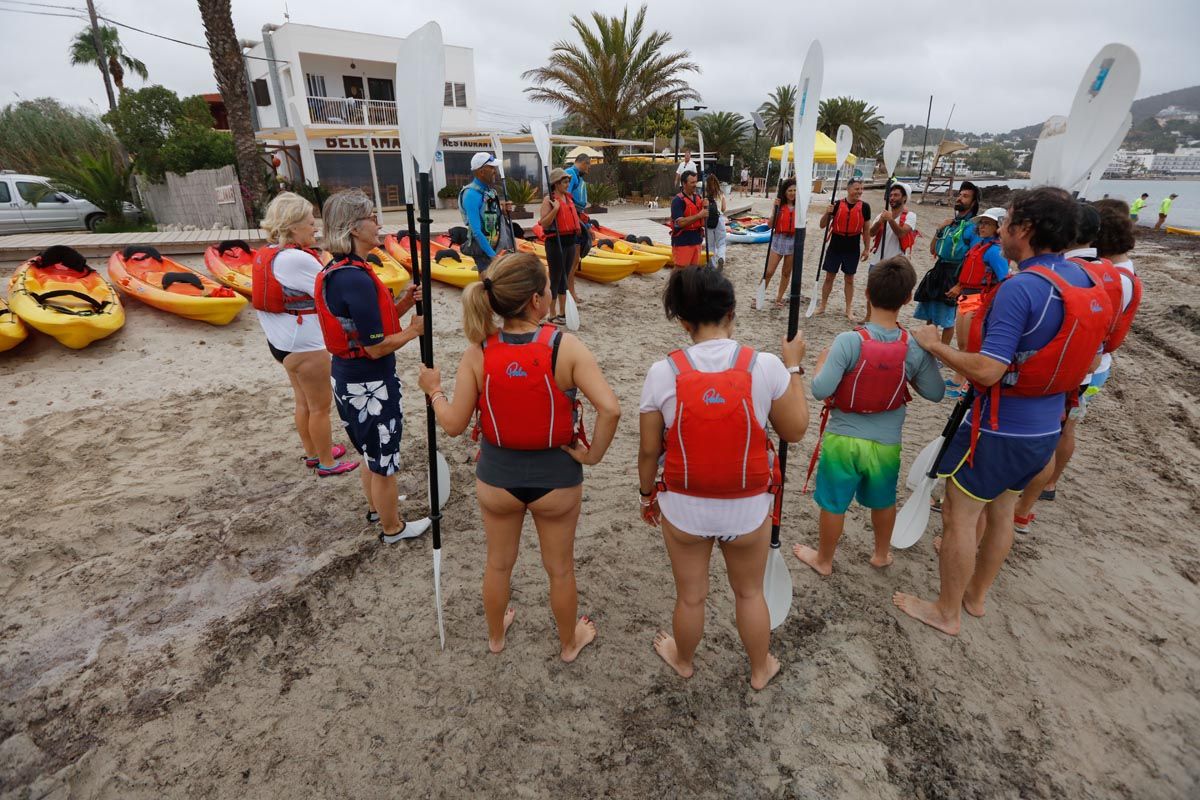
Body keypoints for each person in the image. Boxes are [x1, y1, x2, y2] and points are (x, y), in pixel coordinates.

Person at [893, 187, 1114, 636]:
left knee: (960, 513)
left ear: (1025, 230)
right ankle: (975, 598)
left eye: (1009, 220)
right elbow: (1091, 362)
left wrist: (936, 347)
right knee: (1004, 509)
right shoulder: (1090, 283)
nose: (1003, 229)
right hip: (1045, 428)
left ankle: (946, 611)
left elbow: (990, 370)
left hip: (997, 428)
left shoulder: (1022, 288)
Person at [415, 252, 620, 661]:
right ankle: (568, 643)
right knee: (559, 569)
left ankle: (496, 637)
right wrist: (593, 455)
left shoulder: (478, 353)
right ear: (536, 301)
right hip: (558, 480)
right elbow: (610, 409)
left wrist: (433, 390)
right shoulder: (567, 347)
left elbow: (454, 424)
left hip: (497, 479)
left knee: (498, 565)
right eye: (546, 289)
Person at [638, 267, 810, 690]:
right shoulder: (765, 366)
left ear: (683, 321)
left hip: (684, 506)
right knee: (749, 593)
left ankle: (683, 659)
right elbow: (795, 430)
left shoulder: (663, 372)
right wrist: (794, 369)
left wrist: (647, 496)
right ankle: (759, 669)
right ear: (732, 313)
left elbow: (648, 451)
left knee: (691, 595)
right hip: (748, 508)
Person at [794, 256, 945, 576]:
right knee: (883, 500)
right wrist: (925, 356)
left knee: (834, 503)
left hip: (843, 440)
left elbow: (821, 390)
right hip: (886, 444)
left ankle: (824, 560)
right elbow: (935, 393)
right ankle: (880, 554)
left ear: (866, 293)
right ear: (907, 298)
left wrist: (821, 362)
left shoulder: (849, 341)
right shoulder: (913, 347)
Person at [1012, 200, 1142, 532]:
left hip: (1075, 365)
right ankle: (1044, 489)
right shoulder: (1119, 274)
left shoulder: (1096, 274)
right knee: (1065, 429)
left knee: (1052, 433)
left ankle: (1025, 503)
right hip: (1093, 366)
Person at [315, 190, 430, 544]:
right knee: (383, 456)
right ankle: (392, 527)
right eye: (372, 218)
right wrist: (413, 332)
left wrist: (403, 303)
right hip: (368, 383)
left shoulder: (342, 270)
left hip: (349, 379)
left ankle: (378, 508)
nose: (378, 224)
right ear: (353, 228)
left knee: (369, 453)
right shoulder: (354, 277)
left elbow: (370, 327)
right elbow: (376, 345)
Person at [253, 192, 359, 477]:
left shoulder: (270, 254)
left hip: (282, 344)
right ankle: (327, 462)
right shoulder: (296, 259)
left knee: (303, 402)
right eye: (311, 223)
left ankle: (313, 453)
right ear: (293, 226)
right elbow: (334, 287)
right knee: (320, 407)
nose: (316, 229)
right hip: (305, 347)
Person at [945, 207, 1011, 398]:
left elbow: (1003, 279)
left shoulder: (994, 252)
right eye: (981, 223)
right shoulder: (980, 246)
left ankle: (965, 386)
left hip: (979, 300)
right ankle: (958, 379)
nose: (982, 226)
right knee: (963, 343)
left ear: (998, 227)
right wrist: (958, 286)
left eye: (987, 223)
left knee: (973, 346)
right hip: (966, 297)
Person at [915, 182, 979, 345]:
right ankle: (929, 347)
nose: (960, 198)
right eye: (959, 194)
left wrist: (960, 285)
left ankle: (942, 352)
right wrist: (939, 229)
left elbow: (973, 259)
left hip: (955, 272)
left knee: (947, 317)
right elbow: (932, 250)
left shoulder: (973, 228)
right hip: (939, 269)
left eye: (965, 196)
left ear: (973, 203)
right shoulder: (950, 224)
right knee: (931, 312)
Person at [817, 178, 872, 320]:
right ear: (848, 189)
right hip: (836, 243)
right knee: (829, 277)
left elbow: (866, 230)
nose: (859, 192)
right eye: (856, 189)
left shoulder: (865, 207)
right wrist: (827, 213)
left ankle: (848, 309)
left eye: (861, 189)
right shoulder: (836, 205)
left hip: (852, 245)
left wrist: (867, 248)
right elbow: (822, 225)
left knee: (849, 279)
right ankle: (822, 306)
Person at [538, 168, 581, 325]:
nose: (567, 184)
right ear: (555, 184)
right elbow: (543, 223)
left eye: (568, 181)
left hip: (569, 242)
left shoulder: (568, 199)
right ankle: (552, 313)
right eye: (564, 181)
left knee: (565, 277)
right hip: (555, 243)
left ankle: (563, 312)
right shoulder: (549, 200)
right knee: (555, 278)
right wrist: (555, 209)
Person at [459, 152, 513, 273]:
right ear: (481, 171)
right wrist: (492, 256)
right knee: (488, 284)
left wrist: (503, 211)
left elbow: (494, 217)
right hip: (483, 249)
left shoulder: (490, 191)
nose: (495, 171)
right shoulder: (470, 194)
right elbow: (476, 231)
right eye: (491, 167)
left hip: (495, 245)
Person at [760, 177, 797, 308]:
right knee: (769, 271)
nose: (792, 193)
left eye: (794, 190)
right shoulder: (779, 206)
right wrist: (775, 210)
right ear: (785, 192)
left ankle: (779, 299)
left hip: (793, 241)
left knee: (786, 273)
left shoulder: (800, 207)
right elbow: (770, 225)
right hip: (779, 239)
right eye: (790, 191)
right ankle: (760, 295)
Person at [565, 154, 592, 304]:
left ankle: (570, 291)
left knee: (575, 259)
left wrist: (587, 224)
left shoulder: (578, 176)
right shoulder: (571, 174)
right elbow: (566, 198)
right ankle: (570, 292)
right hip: (573, 219)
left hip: (579, 216)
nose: (588, 169)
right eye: (588, 166)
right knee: (573, 260)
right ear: (582, 163)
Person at [669, 170, 708, 268]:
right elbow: (680, 223)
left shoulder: (698, 198)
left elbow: (705, 220)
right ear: (684, 184)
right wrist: (699, 215)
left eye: (696, 182)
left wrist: (707, 208)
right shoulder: (677, 201)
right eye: (692, 182)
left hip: (696, 239)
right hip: (683, 240)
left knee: (693, 272)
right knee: (681, 271)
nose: (695, 185)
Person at [704, 174, 728, 270]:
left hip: (708, 220)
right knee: (721, 242)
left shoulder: (705, 196)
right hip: (719, 219)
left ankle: (712, 266)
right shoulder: (720, 194)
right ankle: (721, 257)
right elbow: (723, 208)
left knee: (710, 245)